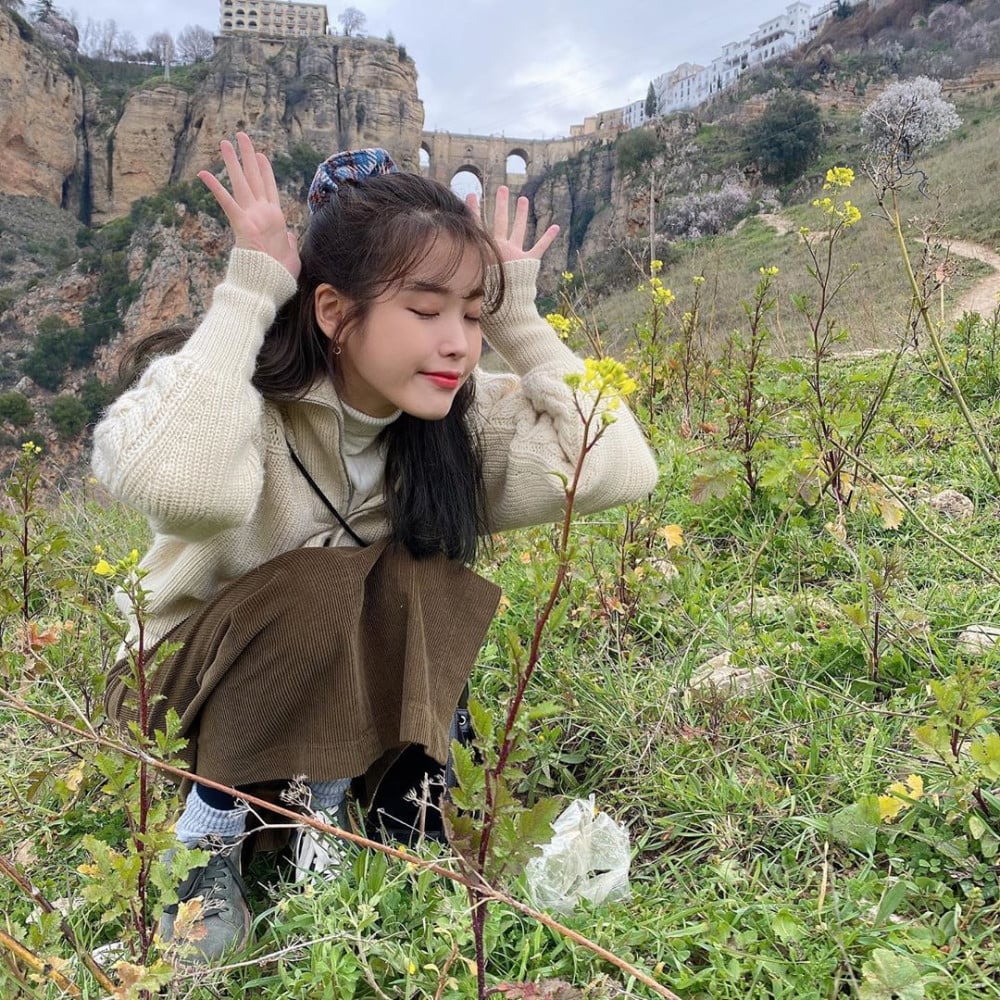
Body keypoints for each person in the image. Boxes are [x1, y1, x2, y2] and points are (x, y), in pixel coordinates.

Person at [92, 133, 658, 963]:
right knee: (326, 577)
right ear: (333, 311)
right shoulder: (234, 400)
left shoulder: (451, 422)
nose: (458, 344)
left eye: (470, 314)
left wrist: (520, 323)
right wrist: (250, 291)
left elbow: (619, 469)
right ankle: (204, 848)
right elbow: (180, 491)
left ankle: (370, 818)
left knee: (421, 572)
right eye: (427, 312)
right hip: (181, 706)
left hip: (321, 716)